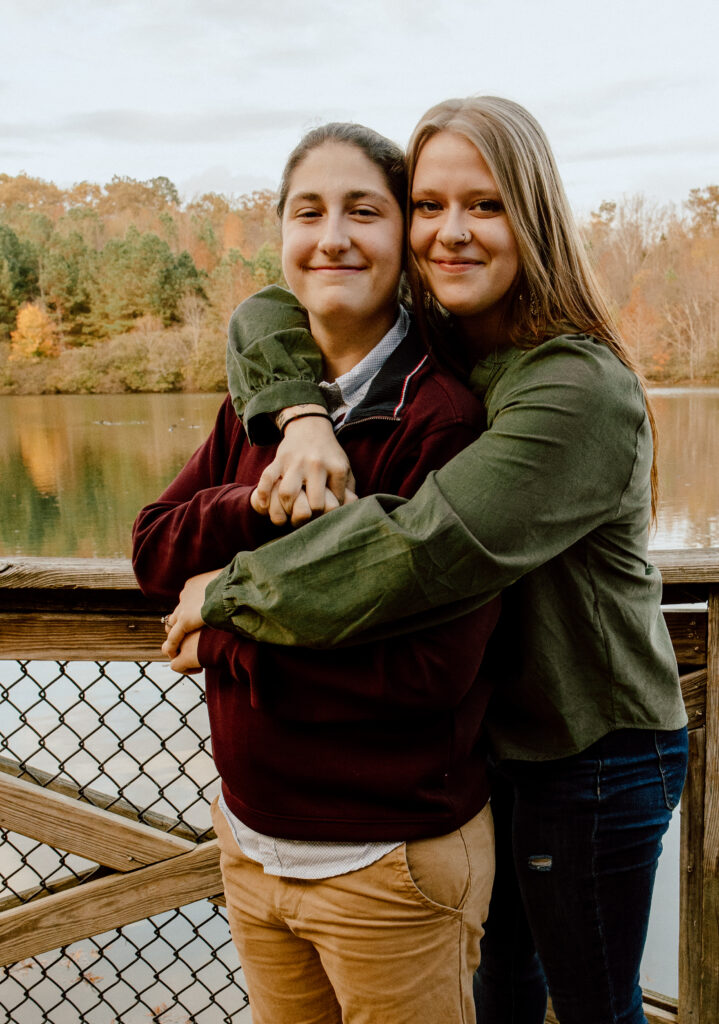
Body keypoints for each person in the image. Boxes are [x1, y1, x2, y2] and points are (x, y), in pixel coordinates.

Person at [162, 97, 689, 1024]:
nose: (453, 232)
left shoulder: (575, 388)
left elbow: (423, 550)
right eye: (431, 206)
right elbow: (264, 313)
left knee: (595, 1010)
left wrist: (229, 594)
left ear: (533, 216)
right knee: (502, 1003)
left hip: (586, 753)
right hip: (489, 751)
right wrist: (303, 417)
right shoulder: (443, 338)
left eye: (484, 206)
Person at [133, 122, 500, 1024]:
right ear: (284, 237)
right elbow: (152, 550)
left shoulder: (440, 419)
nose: (332, 235)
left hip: (388, 862)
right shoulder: (258, 402)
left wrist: (224, 623)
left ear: (403, 240)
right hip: (252, 844)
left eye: (363, 211)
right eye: (309, 211)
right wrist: (252, 503)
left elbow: (428, 673)